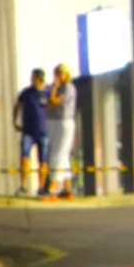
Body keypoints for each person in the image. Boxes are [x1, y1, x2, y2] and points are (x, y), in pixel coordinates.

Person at [13, 68, 50, 197]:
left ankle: (41, 186)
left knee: (43, 160)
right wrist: (15, 122)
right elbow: (17, 106)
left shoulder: (47, 92)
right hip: (28, 131)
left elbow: (54, 103)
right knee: (24, 157)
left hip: (43, 132)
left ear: (40, 79)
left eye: (35, 78)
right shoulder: (26, 93)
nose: (32, 80)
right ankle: (23, 186)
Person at [44, 64, 77, 200]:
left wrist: (54, 88)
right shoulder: (53, 87)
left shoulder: (68, 88)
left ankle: (53, 187)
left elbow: (53, 101)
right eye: (56, 73)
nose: (58, 76)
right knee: (62, 154)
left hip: (63, 122)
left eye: (61, 73)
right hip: (53, 122)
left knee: (58, 153)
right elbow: (46, 104)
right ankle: (67, 188)